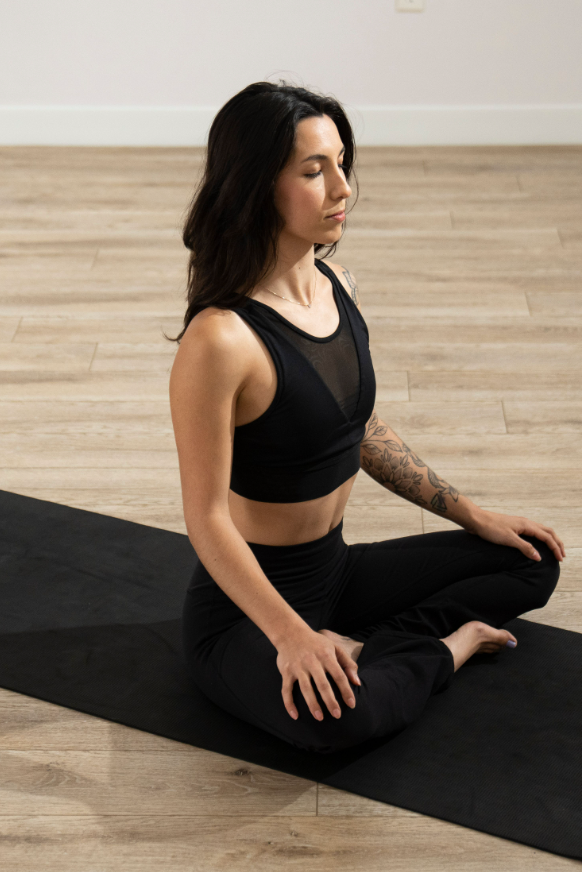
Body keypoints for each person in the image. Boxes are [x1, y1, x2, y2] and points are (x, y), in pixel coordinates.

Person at [168, 82, 564, 755]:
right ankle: (448, 647)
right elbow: (205, 519)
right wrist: (291, 636)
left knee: (533, 562)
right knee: (333, 725)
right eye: (314, 171)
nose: (342, 188)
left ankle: (370, 648)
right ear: (257, 183)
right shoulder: (221, 339)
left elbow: (362, 431)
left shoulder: (337, 285)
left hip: (336, 571)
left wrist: (472, 514)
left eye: (342, 164)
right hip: (248, 610)